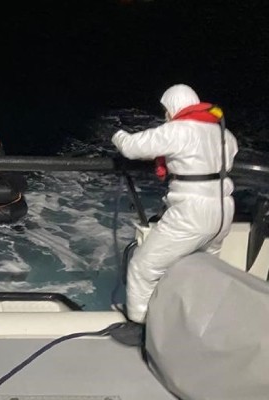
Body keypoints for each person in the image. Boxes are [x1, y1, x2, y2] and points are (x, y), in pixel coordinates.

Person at [110, 84, 238, 346]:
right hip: (223, 210)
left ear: (172, 108)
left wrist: (117, 135)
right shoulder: (225, 135)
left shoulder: (179, 130)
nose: (166, 116)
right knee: (206, 270)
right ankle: (201, 325)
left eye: (166, 110)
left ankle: (141, 328)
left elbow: (133, 147)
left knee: (143, 266)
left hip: (192, 212)